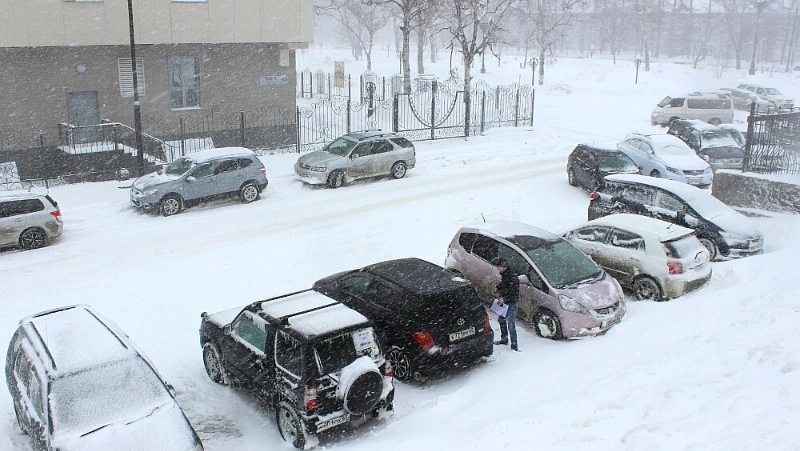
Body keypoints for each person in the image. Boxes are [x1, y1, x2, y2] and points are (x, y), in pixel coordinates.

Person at [491, 257, 520, 351]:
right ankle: (504, 339)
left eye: (498, 267)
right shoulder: (505, 275)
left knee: (511, 324)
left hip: (511, 303)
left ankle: (514, 346)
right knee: (501, 320)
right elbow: (505, 285)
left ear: (504, 267)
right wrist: (499, 288)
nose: (497, 269)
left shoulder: (512, 277)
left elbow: (513, 293)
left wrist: (504, 299)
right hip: (506, 302)